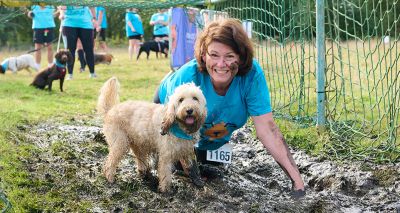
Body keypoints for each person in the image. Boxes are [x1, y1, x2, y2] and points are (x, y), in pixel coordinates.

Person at [154, 19, 306, 197]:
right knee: (174, 165)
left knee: (212, 168)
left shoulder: (252, 76)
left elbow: (268, 129)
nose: (221, 64)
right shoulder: (187, 77)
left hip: (212, 132)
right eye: (214, 55)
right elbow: (177, 135)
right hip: (174, 124)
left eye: (230, 56)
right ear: (204, 55)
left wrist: (297, 183)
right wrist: (194, 176)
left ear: (241, 57)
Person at [59, 6, 98, 79]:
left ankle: (92, 73)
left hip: (85, 24)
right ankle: (70, 75)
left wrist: (94, 18)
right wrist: (61, 13)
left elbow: (91, 5)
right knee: (70, 51)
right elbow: (62, 6)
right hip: (69, 23)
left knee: (89, 49)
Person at [27, 4, 56, 69]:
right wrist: (30, 13)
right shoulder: (34, 3)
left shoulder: (51, 3)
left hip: (49, 27)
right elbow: (28, 13)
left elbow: (55, 14)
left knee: (50, 47)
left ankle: (50, 66)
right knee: (37, 48)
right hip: (37, 27)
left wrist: (60, 12)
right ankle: (37, 66)